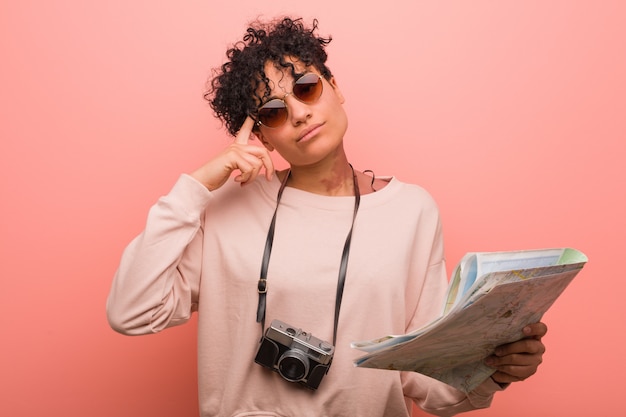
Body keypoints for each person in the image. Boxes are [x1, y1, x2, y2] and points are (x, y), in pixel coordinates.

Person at [107, 17, 547, 417]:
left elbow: (422, 377)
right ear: (261, 135)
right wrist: (197, 185)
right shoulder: (227, 208)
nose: (299, 113)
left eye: (306, 88)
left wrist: (496, 368)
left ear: (335, 87)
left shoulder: (411, 210)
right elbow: (131, 310)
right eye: (273, 112)